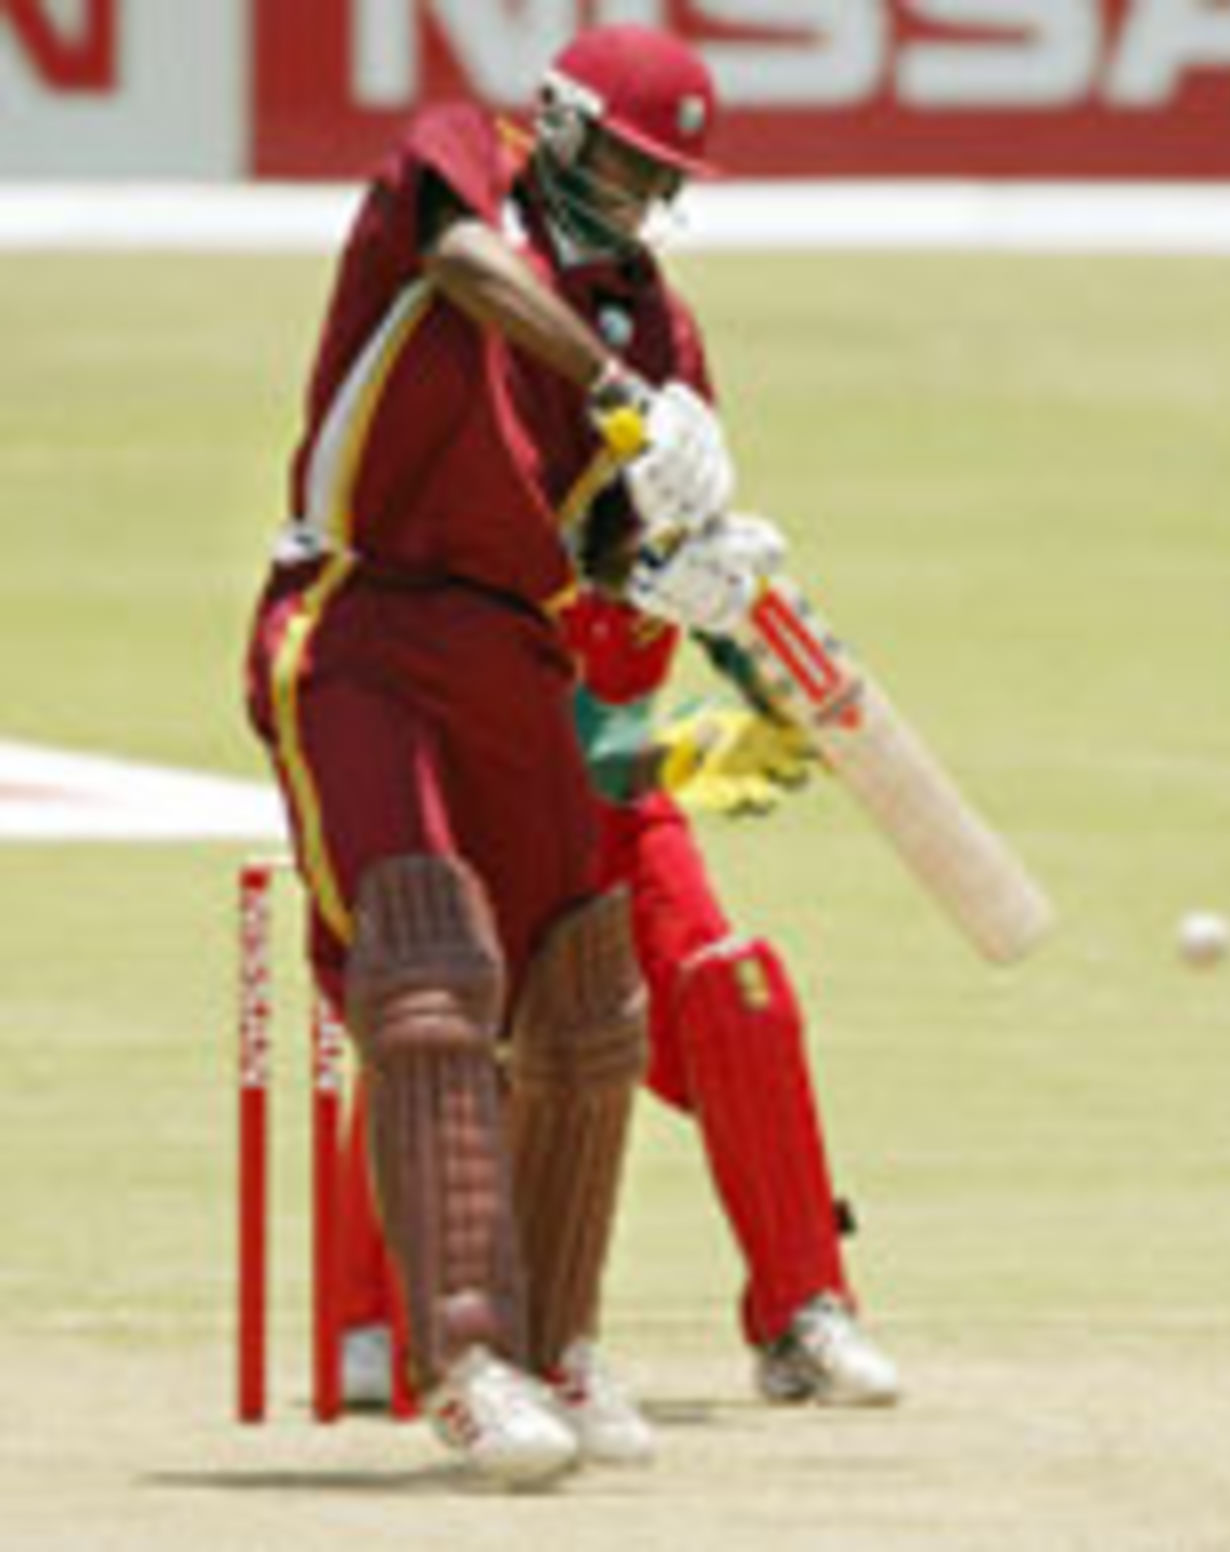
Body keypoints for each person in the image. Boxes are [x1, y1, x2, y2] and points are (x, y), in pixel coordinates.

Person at [244, 23, 765, 1488]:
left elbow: (606, 539)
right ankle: (465, 1360)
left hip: (513, 646)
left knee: (584, 987)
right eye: (628, 162)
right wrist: (613, 387)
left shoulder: (656, 324)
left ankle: (562, 1345)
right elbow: (467, 271)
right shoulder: (465, 159)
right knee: (426, 971)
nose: (642, 202)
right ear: (563, 120)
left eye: (669, 183)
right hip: (355, 611)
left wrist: (677, 562)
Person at [339, 576, 902, 1416]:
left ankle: (802, 1317)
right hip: (475, 813)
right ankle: (378, 1320)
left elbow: (748, 660)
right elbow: (506, 711)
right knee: (442, 1024)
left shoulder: (669, 461)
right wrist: (677, 748)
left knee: (738, 993)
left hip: (620, 824)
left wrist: (764, 665)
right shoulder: (489, 477)